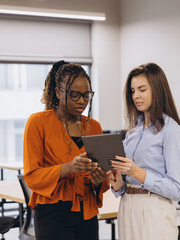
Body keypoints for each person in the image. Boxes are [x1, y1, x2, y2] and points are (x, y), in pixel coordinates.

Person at [23, 61, 109, 240]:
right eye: (75, 95)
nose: (82, 101)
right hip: (52, 213)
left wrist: (98, 181)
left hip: (87, 212)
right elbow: (32, 176)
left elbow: (102, 179)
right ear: (57, 92)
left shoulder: (94, 126)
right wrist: (68, 168)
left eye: (87, 96)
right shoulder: (38, 123)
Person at [108, 62, 180, 240]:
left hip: (154, 209)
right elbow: (126, 183)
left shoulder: (171, 131)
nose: (136, 96)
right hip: (127, 205)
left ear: (157, 90)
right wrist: (118, 184)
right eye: (133, 90)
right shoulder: (132, 132)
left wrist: (137, 172)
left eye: (142, 89)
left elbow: (176, 189)